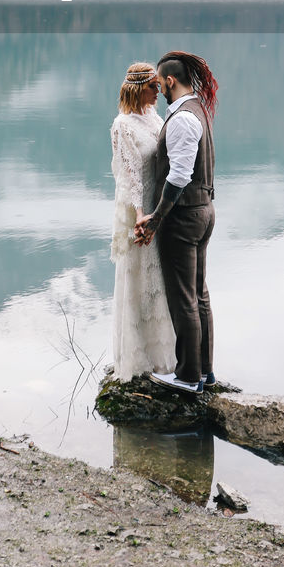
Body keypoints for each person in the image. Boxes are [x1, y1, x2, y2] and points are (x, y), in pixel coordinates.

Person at [135, 50, 218, 394]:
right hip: (203, 210)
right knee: (198, 296)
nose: (158, 89)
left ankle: (186, 377)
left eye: (159, 83)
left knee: (184, 298)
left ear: (169, 81)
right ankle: (204, 373)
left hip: (184, 217)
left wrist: (155, 218)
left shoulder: (182, 118)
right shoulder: (195, 110)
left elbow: (180, 175)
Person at [109, 62, 176, 382]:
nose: (159, 90)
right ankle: (139, 357)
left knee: (160, 281)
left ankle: (165, 356)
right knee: (141, 280)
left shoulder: (153, 117)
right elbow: (130, 175)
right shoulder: (123, 125)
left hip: (159, 205)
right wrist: (140, 217)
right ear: (138, 89)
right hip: (142, 207)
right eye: (153, 86)